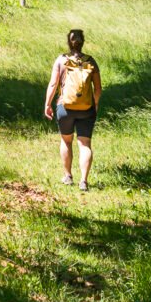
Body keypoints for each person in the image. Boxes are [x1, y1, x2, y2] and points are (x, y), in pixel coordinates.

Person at [44, 28, 103, 191]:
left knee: (66, 140)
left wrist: (47, 104)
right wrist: (94, 104)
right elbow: (98, 89)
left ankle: (68, 176)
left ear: (69, 42)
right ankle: (83, 181)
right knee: (85, 144)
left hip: (65, 107)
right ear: (82, 42)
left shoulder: (61, 60)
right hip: (87, 109)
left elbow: (53, 84)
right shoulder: (91, 61)